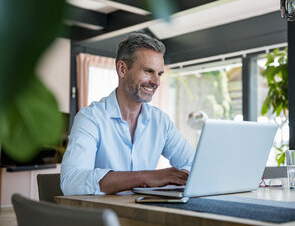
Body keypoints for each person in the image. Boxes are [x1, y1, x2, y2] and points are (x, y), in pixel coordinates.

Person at [61, 33, 195, 195]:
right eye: (148, 71)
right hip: (101, 216)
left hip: (145, 213)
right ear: (122, 69)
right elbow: (71, 182)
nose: (156, 82)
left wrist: (172, 179)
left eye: (159, 74)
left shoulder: (161, 122)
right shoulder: (90, 118)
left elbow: (194, 164)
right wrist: (145, 176)